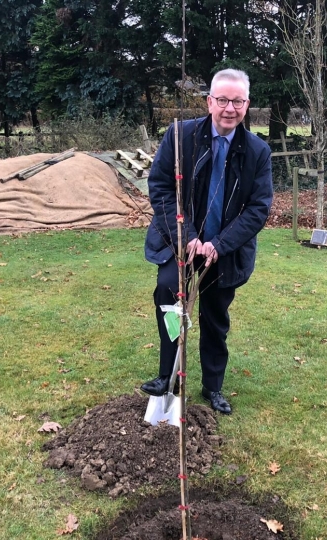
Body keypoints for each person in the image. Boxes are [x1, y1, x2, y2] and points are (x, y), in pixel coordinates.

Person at [141, 69, 273, 415]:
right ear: (209, 101)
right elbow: (161, 187)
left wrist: (218, 244)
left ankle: (213, 387)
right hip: (180, 242)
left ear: (247, 104)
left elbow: (259, 209)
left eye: (238, 101)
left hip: (223, 252)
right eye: (223, 100)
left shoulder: (257, 151)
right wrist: (189, 237)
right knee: (168, 293)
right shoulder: (180, 136)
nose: (230, 108)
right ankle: (167, 376)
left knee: (215, 317)